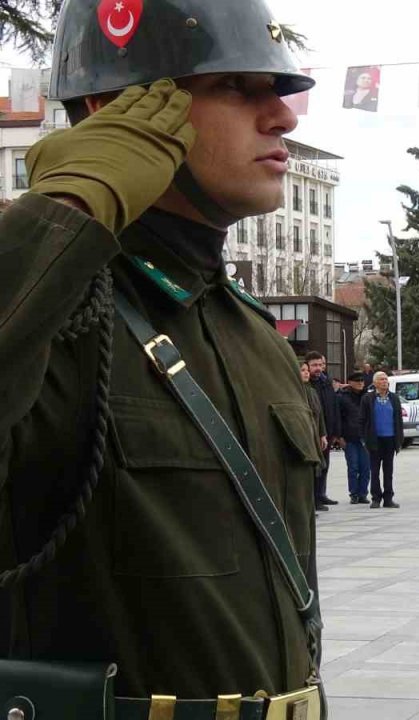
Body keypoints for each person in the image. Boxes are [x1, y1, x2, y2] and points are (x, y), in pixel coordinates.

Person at [0, 0, 325, 709]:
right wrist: (69, 207)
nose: (284, 118)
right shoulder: (53, 309)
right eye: (237, 87)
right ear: (115, 107)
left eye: (280, 90)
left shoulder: (250, 333)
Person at [303, 351, 342, 508]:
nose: (318, 368)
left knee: (325, 465)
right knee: (316, 467)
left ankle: (321, 494)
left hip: (327, 431)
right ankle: (314, 498)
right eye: (314, 365)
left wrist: (336, 432)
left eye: (320, 365)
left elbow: (334, 407)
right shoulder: (306, 385)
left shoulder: (326, 383)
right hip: (313, 433)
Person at [361, 371, 404, 509]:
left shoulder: (394, 398)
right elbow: (362, 420)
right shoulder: (368, 398)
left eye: (386, 379)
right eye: (381, 379)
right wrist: (363, 438)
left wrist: (399, 440)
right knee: (374, 470)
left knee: (388, 470)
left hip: (390, 439)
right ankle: (375, 498)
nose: (384, 381)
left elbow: (399, 420)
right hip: (375, 440)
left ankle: (388, 498)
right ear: (375, 383)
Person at [337, 371, 371, 504]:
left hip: (365, 438)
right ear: (350, 383)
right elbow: (338, 418)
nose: (360, 384)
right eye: (357, 382)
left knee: (365, 467)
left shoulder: (368, 397)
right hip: (349, 437)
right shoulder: (342, 397)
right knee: (353, 467)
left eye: (362, 382)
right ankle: (354, 493)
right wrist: (339, 436)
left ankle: (363, 493)